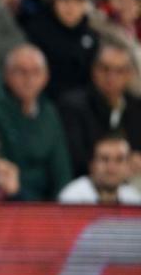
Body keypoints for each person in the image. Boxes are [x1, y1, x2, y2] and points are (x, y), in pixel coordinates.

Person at [0, 44, 72, 200]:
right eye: (21, 72)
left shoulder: (48, 111)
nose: (29, 79)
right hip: (9, 200)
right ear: (6, 75)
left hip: (48, 206)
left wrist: (62, 204)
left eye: (36, 72)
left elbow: (61, 167)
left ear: (46, 77)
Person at [59, 37, 141, 175]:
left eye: (119, 71)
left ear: (129, 75)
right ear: (94, 70)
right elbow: (76, 159)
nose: (111, 76)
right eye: (105, 69)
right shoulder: (74, 106)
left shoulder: (136, 107)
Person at [26, 0, 100, 99]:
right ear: (54, 0)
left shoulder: (91, 36)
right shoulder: (36, 31)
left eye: (78, 0)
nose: (71, 7)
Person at [57, 133, 141, 205]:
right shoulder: (72, 198)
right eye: (104, 159)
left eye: (119, 160)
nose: (111, 168)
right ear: (92, 164)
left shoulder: (134, 199)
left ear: (128, 165)